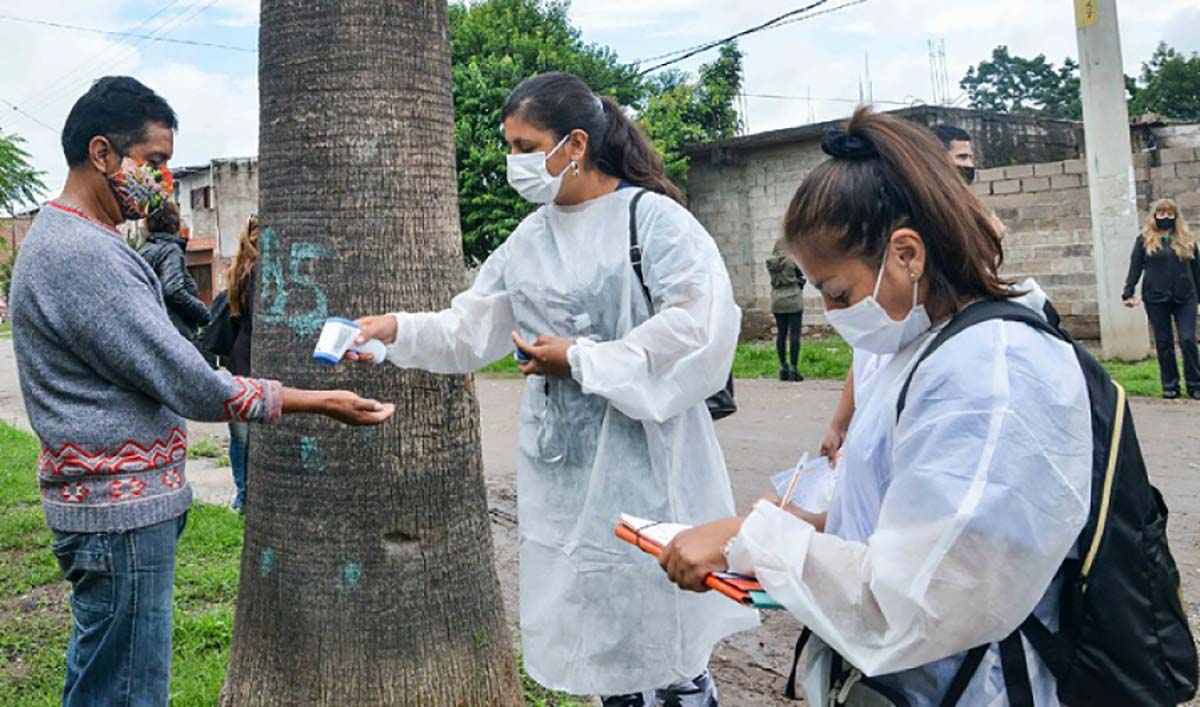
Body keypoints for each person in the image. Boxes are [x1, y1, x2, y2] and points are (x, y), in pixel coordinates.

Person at [658, 108, 1093, 705]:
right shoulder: (920, 345)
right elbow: (908, 504)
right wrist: (816, 522)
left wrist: (752, 540)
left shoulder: (992, 371)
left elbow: (921, 595)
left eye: (838, 292)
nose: (834, 315)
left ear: (907, 254)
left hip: (972, 686)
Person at [348, 72, 756, 706]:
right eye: (508, 147)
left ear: (574, 144)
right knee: (596, 628)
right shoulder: (531, 239)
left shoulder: (653, 221)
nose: (513, 163)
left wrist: (584, 360)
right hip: (564, 473)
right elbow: (471, 327)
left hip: (647, 462)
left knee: (660, 636)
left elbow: (700, 328)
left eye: (524, 145)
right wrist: (393, 329)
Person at [8, 76, 395, 707]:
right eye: (155, 163)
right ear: (102, 154)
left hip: (109, 513)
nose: (163, 182)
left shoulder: (77, 242)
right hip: (118, 520)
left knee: (101, 676)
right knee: (125, 690)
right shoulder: (82, 254)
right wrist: (318, 400)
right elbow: (188, 382)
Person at [1123, 197, 1200, 399]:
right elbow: (1135, 267)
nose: (1165, 218)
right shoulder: (1144, 240)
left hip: (1185, 296)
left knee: (1188, 339)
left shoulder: (1187, 240)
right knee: (1163, 342)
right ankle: (1170, 385)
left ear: (1175, 216)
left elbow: (1196, 271)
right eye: (1161, 214)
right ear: (1154, 216)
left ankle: (1195, 384)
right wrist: (1128, 292)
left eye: (1169, 214)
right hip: (1156, 297)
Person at [224, 214, 259, 510]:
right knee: (249, 435)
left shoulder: (236, 270)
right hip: (255, 357)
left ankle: (241, 493)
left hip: (238, 359)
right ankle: (247, 494)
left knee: (239, 436)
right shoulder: (261, 272)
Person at [138, 200, 211, 343]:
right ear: (175, 223)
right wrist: (204, 315)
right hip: (174, 334)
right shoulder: (170, 250)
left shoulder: (144, 251)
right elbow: (173, 290)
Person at [766, 239, 806, 382]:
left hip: (777, 299)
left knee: (781, 334)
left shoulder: (770, 263)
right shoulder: (792, 261)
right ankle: (794, 368)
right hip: (793, 298)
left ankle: (783, 367)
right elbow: (801, 275)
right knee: (794, 333)